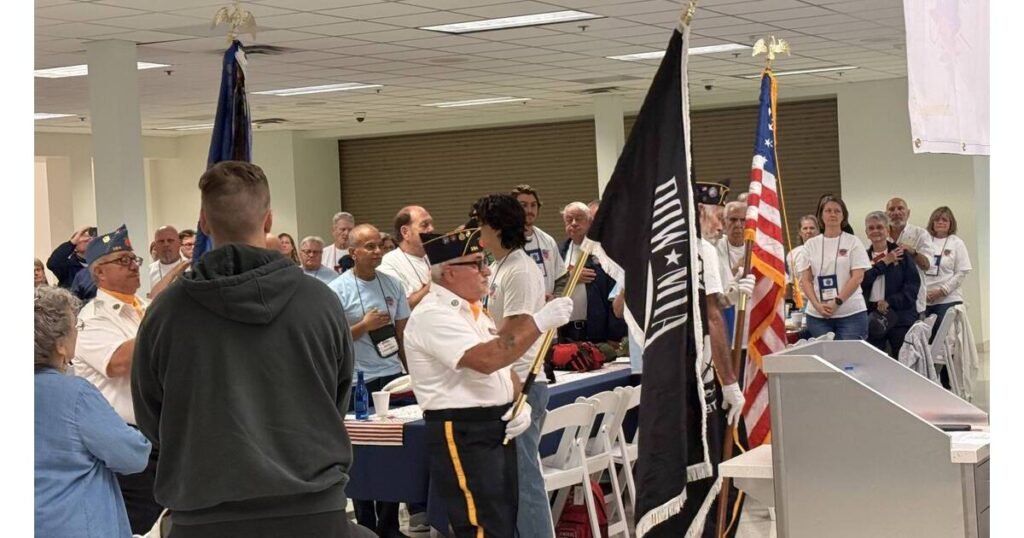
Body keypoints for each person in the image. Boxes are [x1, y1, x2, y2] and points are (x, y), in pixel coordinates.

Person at [132, 160, 358, 537]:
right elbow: (336, 398)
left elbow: (152, 416)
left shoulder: (166, 313)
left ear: (204, 223)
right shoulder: (320, 302)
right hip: (312, 507)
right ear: (268, 221)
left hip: (204, 511)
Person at [404, 225, 573, 538]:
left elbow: (503, 367)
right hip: (462, 429)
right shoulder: (434, 314)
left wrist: (518, 401)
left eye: (485, 262)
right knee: (481, 524)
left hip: (493, 425)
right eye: (477, 264)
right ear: (449, 272)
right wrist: (538, 323)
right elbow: (486, 360)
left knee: (503, 521)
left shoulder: (474, 312)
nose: (486, 271)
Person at [35, 286, 152, 538]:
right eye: (75, 327)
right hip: (78, 524)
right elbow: (132, 456)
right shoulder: (74, 395)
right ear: (61, 345)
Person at [472, 194, 554, 538]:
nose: (477, 231)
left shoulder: (520, 269)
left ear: (496, 227)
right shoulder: (499, 266)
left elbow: (516, 329)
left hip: (522, 381)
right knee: (507, 480)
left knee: (523, 477)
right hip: (504, 380)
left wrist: (480, 352)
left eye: (481, 224)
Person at [73, 224, 162, 533]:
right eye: (123, 261)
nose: (133, 266)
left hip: (163, 432)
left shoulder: (147, 309)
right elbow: (118, 362)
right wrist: (165, 320)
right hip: (126, 438)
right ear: (99, 272)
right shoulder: (93, 318)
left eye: (134, 259)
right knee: (141, 523)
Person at [328, 224, 410, 538]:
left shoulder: (393, 284)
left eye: (379, 245)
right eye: (369, 247)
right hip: (356, 380)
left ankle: (389, 526)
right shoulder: (337, 290)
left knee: (392, 455)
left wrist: (409, 374)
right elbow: (333, 340)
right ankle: (364, 526)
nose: (377, 252)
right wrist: (364, 325)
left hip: (391, 377)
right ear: (353, 252)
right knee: (361, 456)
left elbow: (402, 334)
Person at [797, 195, 870, 340]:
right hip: (818, 316)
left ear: (843, 216)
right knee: (826, 353)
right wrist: (817, 305)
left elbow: (858, 277)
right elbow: (805, 280)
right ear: (821, 215)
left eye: (837, 211)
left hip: (851, 313)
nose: (833, 214)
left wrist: (837, 302)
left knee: (847, 353)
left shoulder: (853, 242)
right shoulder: (810, 245)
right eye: (828, 211)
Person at [557, 201, 626, 344]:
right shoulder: (558, 251)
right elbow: (550, 284)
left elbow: (613, 293)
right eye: (569, 220)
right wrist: (570, 277)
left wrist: (614, 335)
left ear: (590, 222)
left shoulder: (605, 252)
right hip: (565, 331)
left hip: (598, 332)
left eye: (579, 219)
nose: (574, 223)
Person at [861, 211, 921, 358]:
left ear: (887, 230)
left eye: (880, 227)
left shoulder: (901, 254)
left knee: (901, 359)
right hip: (872, 315)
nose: (875, 231)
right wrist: (884, 263)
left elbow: (912, 287)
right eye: (871, 228)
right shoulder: (862, 257)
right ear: (866, 233)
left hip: (900, 315)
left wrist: (890, 301)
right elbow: (861, 282)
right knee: (873, 360)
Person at [924, 206, 972, 339]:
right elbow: (918, 269)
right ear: (932, 222)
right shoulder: (925, 242)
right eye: (937, 219)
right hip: (925, 299)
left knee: (945, 339)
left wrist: (942, 291)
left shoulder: (957, 243)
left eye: (945, 220)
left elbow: (962, 272)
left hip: (948, 298)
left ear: (951, 223)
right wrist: (923, 293)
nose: (940, 222)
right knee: (926, 338)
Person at [512, 184, 567, 297]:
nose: (529, 210)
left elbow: (561, 279)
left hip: (546, 307)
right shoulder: (503, 242)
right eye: (523, 205)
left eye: (533, 205)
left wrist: (555, 299)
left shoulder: (548, 241)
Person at [378, 205, 435, 309]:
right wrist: (432, 285)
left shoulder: (434, 254)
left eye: (431, 224)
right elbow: (401, 307)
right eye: (424, 225)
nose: (431, 229)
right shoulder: (389, 263)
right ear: (405, 232)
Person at [886, 197, 935, 315]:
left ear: (908, 213)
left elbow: (927, 265)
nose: (896, 212)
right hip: (887, 302)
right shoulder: (880, 236)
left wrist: (913, 252)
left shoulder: (920, 234)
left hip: (914, 302)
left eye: (900, 208)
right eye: (891, 209)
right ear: (886, 214)